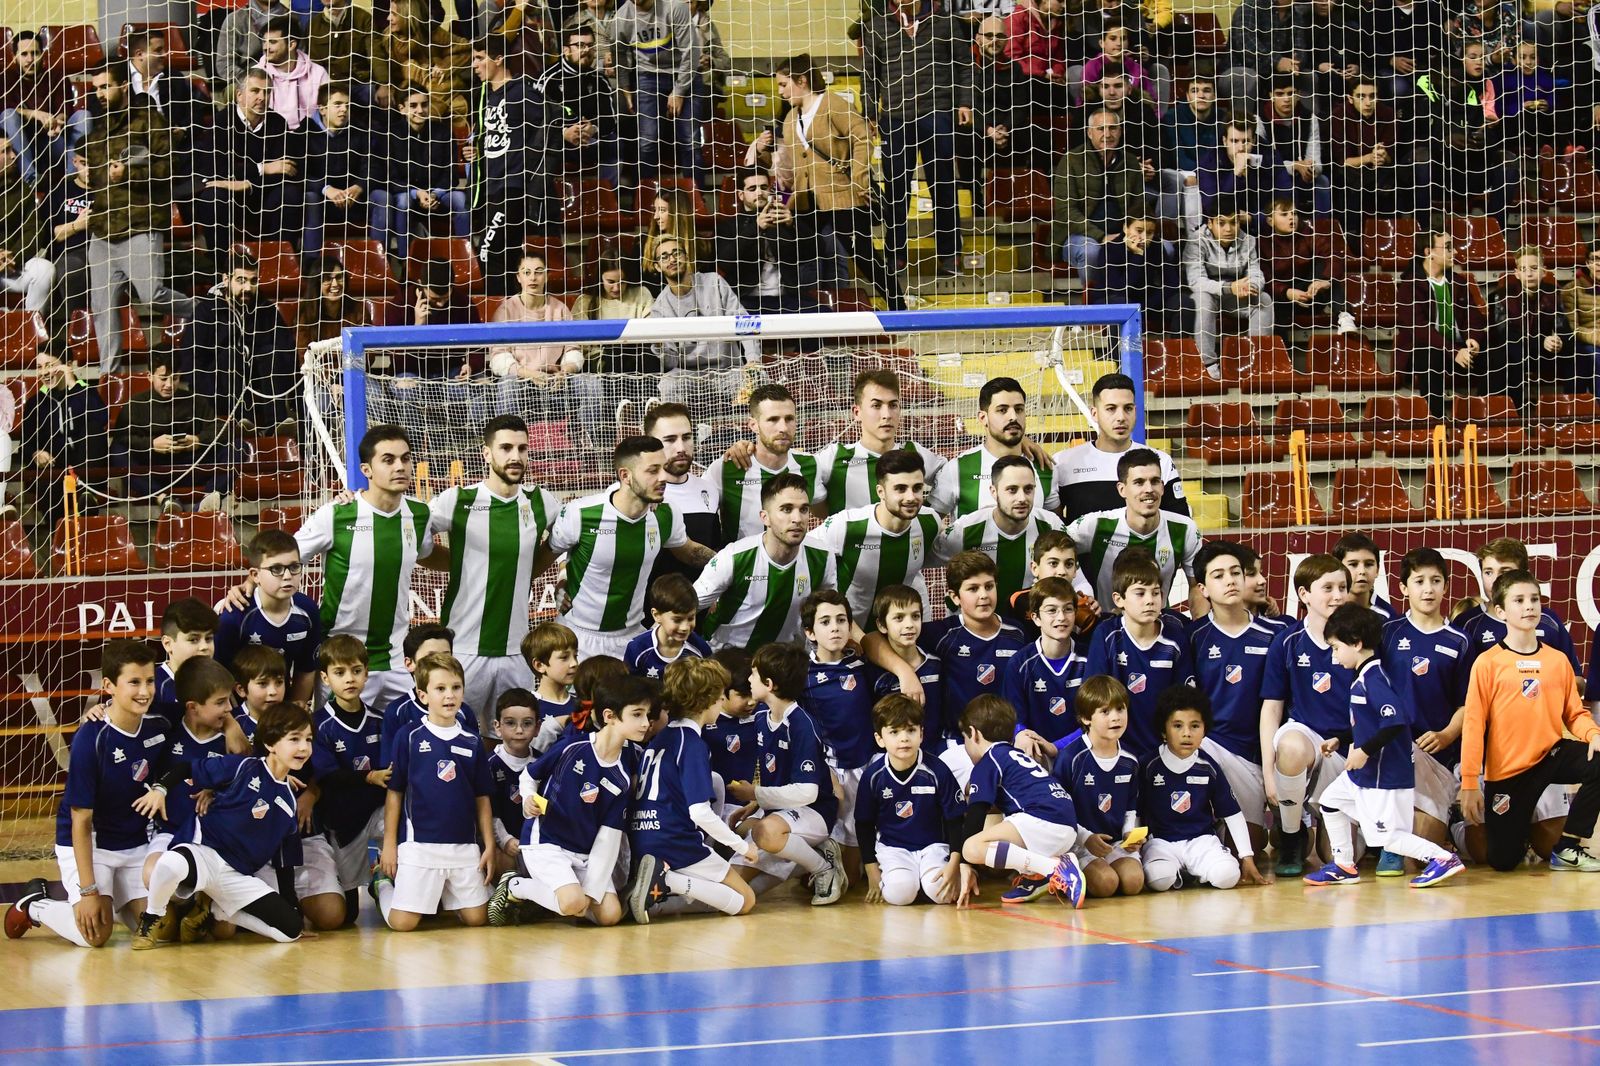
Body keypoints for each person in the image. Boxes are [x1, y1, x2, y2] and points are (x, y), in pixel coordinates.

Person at [264, 426, 438, 706]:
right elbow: (283, 559)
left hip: (396, 658)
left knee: (404, 740)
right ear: (366, 470)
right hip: (343, 658)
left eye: (405, 459)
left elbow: (428, 554)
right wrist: (250, 584)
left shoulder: (420, 514)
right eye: (389, 460)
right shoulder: (336, 515)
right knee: (339, 743)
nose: (400, 467)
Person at [6, 641, 161, 947]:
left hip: (134, 844)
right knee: (94, 936)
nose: (144, 691)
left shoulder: (160, 725)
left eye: (150, 681)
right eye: (134, 682)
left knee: (158, 930)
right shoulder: (91, 738)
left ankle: (112, 901)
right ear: (108, 686)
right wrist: (88, 890)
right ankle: (34, 904)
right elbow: (81, 821)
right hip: (91, 843)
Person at [1302, 605, 1467, 887]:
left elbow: (1395, 722)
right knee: (1330, 802)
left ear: (1356, 643)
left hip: (1383, 776)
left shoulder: (1374, 679)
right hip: (1364, 774)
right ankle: (1343, 864)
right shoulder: (1363, 676)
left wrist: (1363, 752)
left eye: (1335, 647)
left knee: (1388, 837)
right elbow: (1368, 721)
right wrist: (1342, 739)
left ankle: (1442, 858)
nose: (1333, 655)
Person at [129, 702, 317, 948]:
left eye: (309, 739)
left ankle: (220, 910)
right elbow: (188, 768)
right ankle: (151, 918)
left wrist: (292, 907)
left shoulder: (289, 802)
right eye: (295, 739)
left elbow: (285, 860)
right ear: (271, 744)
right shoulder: (243, 767)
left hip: (237, 875)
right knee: (169, 864)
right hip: (204, 853)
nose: (304, 747)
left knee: (290, 931)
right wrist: (161, 789)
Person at [1461, 569, 1600, 873]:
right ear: (1501, 611)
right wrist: (1470, 782)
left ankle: (1568, 846)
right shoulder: (1487, 664)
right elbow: (1473, 724)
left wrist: (1592, 734)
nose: (1529, 607)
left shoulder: (1557, 661)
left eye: (1534, 599)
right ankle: (1476, 826)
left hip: (1551, 754)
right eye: (1519, 600)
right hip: (1508, 772)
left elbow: (1575, 714)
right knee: (1502, 861)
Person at [422, 416, 560, 716]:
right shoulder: (457, 500)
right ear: (487, 453)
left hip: (517, 650)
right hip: (464, 647)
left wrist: (563, 575)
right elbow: (413, 539)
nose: (515, 457)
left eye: (522, 448)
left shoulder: (541, 502)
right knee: (457, 736)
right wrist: (456, 562)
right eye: (506, 448)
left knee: (516, 742)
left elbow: (569, 541)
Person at [489, 674, 652, 926]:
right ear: (610, 716)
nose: (645, 723)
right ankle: (516, 885)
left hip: (585, 853)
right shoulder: (572, 747)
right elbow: (529, 775)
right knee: (573, 904)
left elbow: (608, 839)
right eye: (637, 714)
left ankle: (565, 899)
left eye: (648, 715)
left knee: (609, 916)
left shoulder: (622, 775)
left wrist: (592, 890)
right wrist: (529, 798)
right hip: (546, 843)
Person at [548, 435, 714, 660]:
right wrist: (562, 579)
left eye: (664, 468)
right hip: (578, 637)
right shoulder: (581, 513)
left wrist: (733, 562)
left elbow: (689, 550)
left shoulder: (666, 514)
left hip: (631, 638)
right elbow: (549, 555)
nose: (664, 477)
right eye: (653, 470)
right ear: (625, 475)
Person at [625, 656, 759, 922]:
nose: (722, 703)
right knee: (745, 901)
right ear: (706, 700)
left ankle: (656, 894)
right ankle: (669, 881)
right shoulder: (693, 743)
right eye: (720, 696)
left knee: (716, 895)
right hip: (674, 842)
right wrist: (742, 847)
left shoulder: (662, 737)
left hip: (642, 838)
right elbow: (699, 812)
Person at [372, 654, 496, 930]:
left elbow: (482, 797)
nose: (449, 695)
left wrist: (487, 845)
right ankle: (382, 886)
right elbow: (395, 793)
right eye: (440, 689)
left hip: (464, 845)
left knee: (477, 920)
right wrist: (389, 845)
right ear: (423, 695)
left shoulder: (472, 740)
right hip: (420, 845)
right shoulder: (409, 736)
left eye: (456, 687)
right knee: (403, 924)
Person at [82, 62, 190, 374]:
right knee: (102, 309)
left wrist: (129, 172)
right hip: (103, 232)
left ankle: (206, 311)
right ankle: (109, 377)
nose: (101, 93)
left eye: (106, 86)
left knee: (153, 295)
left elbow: (169, 168)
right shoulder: (97, 133)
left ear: (123, 86)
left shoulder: (149, 121)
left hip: (140, 226)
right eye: (97, 88)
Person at [723, 642, 848, 906]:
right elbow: (778, 774)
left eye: (753, 674)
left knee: (764, 832)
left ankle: (823, 866)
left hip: (814, 811)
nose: (748, 679)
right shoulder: (761, 718)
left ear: (769, 684)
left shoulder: (801, 724)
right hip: (779, 816)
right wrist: (755, 803)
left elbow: (807, 791)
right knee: (732, 889)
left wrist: (755, 792)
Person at [774, 54, 903, 309]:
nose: (780, 92)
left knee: (865, 257)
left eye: (783, 84)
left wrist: (859, 179)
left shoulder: (833, 104)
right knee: (792, 249)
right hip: (806, 200)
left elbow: (863, 137)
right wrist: (764, 151)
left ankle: (898, 306)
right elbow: (790, 164)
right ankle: (803, 308)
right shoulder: (789, 119)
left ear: (801, 80)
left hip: (842, 195)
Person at [862, 0, 974, 278]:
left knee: (944, 187)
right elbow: (869, 76)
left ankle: (949, 256)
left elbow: (965, 66)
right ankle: (895, 255)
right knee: (896, 190)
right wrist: (869, 114)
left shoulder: (946, 23)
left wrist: (965, 103)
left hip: (938, 113)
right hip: (895, 118)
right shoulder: (877, 27)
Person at [1258, 554, 1351, 876]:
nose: (1337, 595)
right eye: (1328, 587)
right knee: (1292, 745)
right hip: (1307, 737)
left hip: (1347, 746)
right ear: (1303, 594)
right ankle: (1290, 835)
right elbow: (1271, 708)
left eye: (1342, 587)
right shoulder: (1287, 642)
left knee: (1332, 856)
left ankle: (1328, 822)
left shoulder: (1361, 641)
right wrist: (1269, 771)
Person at [1380, 548, 1473, 871]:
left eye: (1436, 581)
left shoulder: (1459, 640)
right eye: (1419, 581)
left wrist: (1447, 734)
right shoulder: (1387, 634)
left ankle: (1454, 824)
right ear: (1404, 588)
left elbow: (1467, 704)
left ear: (1446, 586)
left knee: (1416, 862)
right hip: (1394, 754)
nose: (1428, 589)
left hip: (1439, 756)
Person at [957, 693, 1087, 907]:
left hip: (1043, 823)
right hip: (1066, 825)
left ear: (974, 734)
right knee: (1007, 831)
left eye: (965, 738)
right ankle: (1035, 876)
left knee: (972, 847)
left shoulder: (988, 762)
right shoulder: (1015, 756)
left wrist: (965, 863)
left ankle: (1052, 868)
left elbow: (976, 814)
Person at [1186, 541, 1275, 846]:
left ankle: (1294, 828)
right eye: (1219, 575)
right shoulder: (1193, 637)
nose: (1230, 580)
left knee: (1254, 844)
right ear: (1204, 589)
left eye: (1236, 573)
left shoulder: (1273, 634)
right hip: (1215, 747)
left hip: (1261, 753)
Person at [1138, 685, 1269, 891]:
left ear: (1205, 729)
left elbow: (1232, 814)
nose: (1187, 734)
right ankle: (1178, 873)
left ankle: (1195, 869)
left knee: (1228, 876)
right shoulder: (1148, 765)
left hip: (1201, 842)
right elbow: (1135, 811)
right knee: (1159, 879)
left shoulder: (1209, 767)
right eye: (1178, 726)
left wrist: (1247, 857)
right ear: (1164, 730)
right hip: (1161, 844)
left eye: (1195, 726)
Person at [695, 471, 836, 649]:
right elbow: (686, 606)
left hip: (787, 663)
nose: (797, 519)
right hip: (728, 662)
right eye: (786, 509)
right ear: (765, 517)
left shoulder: (822, 556)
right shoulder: (734, 558)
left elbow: (827, 611)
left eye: (804, 509)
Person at [806, 447, 941, 626]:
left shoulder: (930, 521)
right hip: (850, 634)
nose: (911, 497)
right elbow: (803, 552)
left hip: (898, 632)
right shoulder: (846, 526)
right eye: (900, 489)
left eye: (917, 488)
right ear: (881, 492)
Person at [856, 693, 969, 906]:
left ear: (921, 734)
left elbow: (955, 821)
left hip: (934, 847)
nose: (904, 738)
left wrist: (955, 864)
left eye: (911, 730)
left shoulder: (937, 770)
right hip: (893, 848)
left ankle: (927, 881)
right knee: (899, 895)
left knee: (941, 894)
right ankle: (909, 881)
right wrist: (872, 873)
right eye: (894, 732)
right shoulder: (873, 776)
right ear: (880, 739)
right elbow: (864, 825)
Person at [1082, 550, 1194, 759]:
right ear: (1119, 599)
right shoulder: (1106, 635)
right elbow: (1094, 697)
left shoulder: (1175, 638)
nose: (1150, 600)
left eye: (1156, 593)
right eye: (1140, 593)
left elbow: (1184, 700)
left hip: (1165, 749)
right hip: (1116, 748)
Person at [311, 633, 387, 922]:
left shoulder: (381, 720)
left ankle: (385, 878)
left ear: (367, 674)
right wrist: (368, 778)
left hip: (378, 813)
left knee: (396, 824)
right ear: (325, 678)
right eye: (340, 672)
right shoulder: (320, 725)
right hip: (342, 822)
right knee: (347, 916)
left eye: (356, 671)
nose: (350, 679)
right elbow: (328, 778)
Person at [1065, 448, 1200, 609]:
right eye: (1139, 482)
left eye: (1155, 481)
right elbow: (1052, 552)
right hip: (1103, 626)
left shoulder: (1185, 529)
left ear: (1163, 487)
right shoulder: (1095, 525)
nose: (1149, 489)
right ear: (1122, 489)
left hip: (1159, 624)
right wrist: (1080, 590)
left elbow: (1197, 586)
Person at [1051, 675, 1145, 898]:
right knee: (1106, 884)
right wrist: (1086, 839)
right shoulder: (1071, 758)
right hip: (1078, 844)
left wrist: (1130, 834)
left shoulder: (1130, 760)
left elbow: (1131, 807)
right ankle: (1061, 867)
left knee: (1134, 882)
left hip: (1114, 844)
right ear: (1086, 718)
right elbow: (1057, 811)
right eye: (1105, 712)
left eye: (1120, 709)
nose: (1116, 718)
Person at [192, 69, 304, 252]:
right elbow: (215, 171)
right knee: (212, 198)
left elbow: (286, 170)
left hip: (264, 198)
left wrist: (245, 182)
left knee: (289, 194)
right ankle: (222, 270)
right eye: (255, 91)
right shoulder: (220, 122)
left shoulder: (277, 123)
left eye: (267, 92)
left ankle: (281, 263)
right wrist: (262, 169)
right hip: (231, 200)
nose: (262, 97)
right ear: (239, 95)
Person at [800, 590, 877, 858]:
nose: (835, 628)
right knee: (843, 859)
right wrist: (823, 771)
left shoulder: (864, 664)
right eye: (825, 622)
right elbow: (799, 731)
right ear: (810, 632)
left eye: (841, 620)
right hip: (833, 771)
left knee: (862, 858)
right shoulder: (801, 675)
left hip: (869, 765)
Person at [936, 455, 1065, 613]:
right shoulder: (966, 530)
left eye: (1028, 489)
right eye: (1012, 490)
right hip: (973, 631)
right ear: (993, 491)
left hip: (1029, 628)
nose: (1022, 498)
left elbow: (1074, 573)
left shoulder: (1050, 525)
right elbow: (922, 557)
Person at [186, 249, 297, 433]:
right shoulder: (205, 311)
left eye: (253, 281)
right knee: (230, 353)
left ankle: (277, 424)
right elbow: (192, 362)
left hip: (261, 390)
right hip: (219, 391)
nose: (248, 288)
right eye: (241, 280)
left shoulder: (267, 309)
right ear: (225, 279)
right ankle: (240, 422)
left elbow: (287, 353)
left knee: (269, 352)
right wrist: (207, 396)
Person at [1053, 372, 1187, 524]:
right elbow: (1053, 525)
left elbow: (1180, 522)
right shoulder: (1064, 462)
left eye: (1128, 408)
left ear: (1135, 412)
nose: (1121, 417)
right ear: (1094, 414)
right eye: (1111, 409)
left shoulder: (1161, 461)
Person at [702, 384, 827, 542]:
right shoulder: (725, 468)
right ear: (753, 425)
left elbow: (825, 513)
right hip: (740, 565)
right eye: (773, 420)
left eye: (789, 419)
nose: (783, 428)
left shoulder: (811, 465)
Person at [466, 35, 543, 291]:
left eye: (480, 58)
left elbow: (552, 117)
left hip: (513, 187)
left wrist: (564, 131)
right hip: (490, 187)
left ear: (499, 59)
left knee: (488, 251)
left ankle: (500, 317)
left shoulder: (522, 91)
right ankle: (509, 311)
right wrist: (475, 151)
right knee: (503, 256)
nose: (475, 65)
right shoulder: (485, 95)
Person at [813, 370, 947, 511]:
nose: (887, 415)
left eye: (893, 405)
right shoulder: (833, 457)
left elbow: (953, 478)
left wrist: (929, 516)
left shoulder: (914, 452)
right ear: (857, 412)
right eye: (876, 405)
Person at [646, 236, 759, 405]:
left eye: (677, 253)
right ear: (657, 266)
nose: (672, 259)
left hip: (729, 371)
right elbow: (671, 362)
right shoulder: (659, 308)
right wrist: (659, 345)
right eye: (664, 256)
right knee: (668, 384)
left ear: (686, 256)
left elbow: (745, 322)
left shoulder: (714, 282)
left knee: (759, 377)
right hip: (689, 375)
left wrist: (752, 360)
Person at [118, 352, 228, 514]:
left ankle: (208, 498)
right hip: (154, 471)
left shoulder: (196, 400)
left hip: (191, 467)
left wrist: (199, 440)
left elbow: (220, 429)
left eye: (175, 378)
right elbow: (122, 438)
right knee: (117, 452)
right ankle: (163, 498)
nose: (169, 384)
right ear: (150, 376)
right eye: (163, 379)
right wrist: (151, 444)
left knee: (239, 448)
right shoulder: (135, 404)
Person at [486, 254, 591, 425]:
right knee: (507, 384)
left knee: (589, 383)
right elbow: (498, 358)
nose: (533, 278)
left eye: (538, 272)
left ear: (547, 276)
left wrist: (565, 371)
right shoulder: (505, 311)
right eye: (526, 272)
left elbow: (573, 350)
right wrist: (527, 373)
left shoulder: (560, 309)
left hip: (556, 381)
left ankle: (590, 441)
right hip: (523, 380)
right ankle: (508, 438)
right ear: (518, 278)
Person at [929, 377, 1055, 518]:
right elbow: (927, 526)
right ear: (983, 418)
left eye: (1019, 409)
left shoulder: (1044, 467)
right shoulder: (957, 469)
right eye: (1002, 410)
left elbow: (1056, 530)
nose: (1013, 417)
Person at [371, 89, 468, 262]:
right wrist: (417, 193)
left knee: (460, 199)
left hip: (438, 193)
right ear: (402, 109)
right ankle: (405, 259)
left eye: (424, 104)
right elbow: (390, 177)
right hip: (408, 193)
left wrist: (434, 194)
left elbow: (450, 174)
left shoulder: (443, 133)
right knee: (402, 202)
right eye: (413, 105)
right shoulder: (389, 135)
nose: (420, 110)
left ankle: (465, 256)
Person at [15, 352, 111, 527]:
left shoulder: (85, 392)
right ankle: (58, 539)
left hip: (84, 466)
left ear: (68, 365)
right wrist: (36, 453)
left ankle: (87, 495)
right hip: (52, 467)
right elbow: (25, 446)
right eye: (39, 367)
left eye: (50, 365)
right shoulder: (35, 403)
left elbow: (101, 419)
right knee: (48, 488)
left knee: (93, 428)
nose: (44, 372)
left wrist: (72, 384)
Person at [713, 167, 824, 315]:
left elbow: (817, 251)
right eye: (752, 188)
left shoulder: (785, 219)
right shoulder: (727, 226)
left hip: (787, 299)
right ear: (741, 195)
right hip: (745, 301)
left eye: (764, 187)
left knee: (823, 315)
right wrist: (756, 228)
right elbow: (725, 262)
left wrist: (793, 225)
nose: (759, 193)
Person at [1185, 198, 1274, 382]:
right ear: (1209, 223)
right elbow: (1195, 281)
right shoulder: (1196, 241)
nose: (1228, 229)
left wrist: (1252, 286)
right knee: (1202, 300)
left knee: (1263, 299)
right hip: (1209, 293)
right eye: (1221, 223)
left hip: (1236, 293)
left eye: (1234, 222)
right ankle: (1207, 364)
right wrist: (1228, 287)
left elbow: (1256, 271)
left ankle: (1258, 361)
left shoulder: (1248, 240)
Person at [1001, 577, 1088, 766]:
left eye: (1068, 609)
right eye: (1052, 610)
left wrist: (1057, 747)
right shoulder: (1019, 664)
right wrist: (1023, 736)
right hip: (1037, 755)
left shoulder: (1090, 659)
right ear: (1035, 618)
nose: (1061, 617)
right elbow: (1015, 721)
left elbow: (1096, 721)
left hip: (1082, 753)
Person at [1052, 109, 1150, 273]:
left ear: (1121, 131)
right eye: (1100, 129)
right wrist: (1101, 236)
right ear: (1089, 133)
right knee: (1093, 252)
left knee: (1165, 248)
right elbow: (1065, 211)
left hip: (1123, 234)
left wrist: (1134, 234)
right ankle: (1094, 298)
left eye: (1112, 128)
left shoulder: (1130, 161)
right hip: (1080, 236)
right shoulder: (1071, 160)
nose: (1107, 134)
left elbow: (1139, 206)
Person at [613, 0, 699, 184]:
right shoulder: (621, 17)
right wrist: (625, 88)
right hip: (648, 75)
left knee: (689, 139)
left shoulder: (675, 7)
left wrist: (679, 91)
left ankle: (695, 200)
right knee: (648, 140)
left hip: (683, 72)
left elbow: (691, 52)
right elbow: (618, 55)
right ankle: (645, 198)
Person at [534, 26, 621, 183]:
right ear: (565, 50)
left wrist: (593, 128)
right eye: (580, 45)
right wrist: (564, 132)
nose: (586, 50)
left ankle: (606, 200)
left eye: (590, 45)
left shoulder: (599, 80)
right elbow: (533, 121)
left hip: (589, 140)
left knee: (615, 143)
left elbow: (610, 121)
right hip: (558, 141)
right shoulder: (548, 78)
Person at [1260, 198, 1355, 338]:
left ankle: (1344, 314)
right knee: (1269, 304)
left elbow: (1333, 255)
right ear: (1270, 221)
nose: (1292, 217)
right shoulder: (1262, 243)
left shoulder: (1306, 232)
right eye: (1284, 214)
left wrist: (1324, 281)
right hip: (1282, 300)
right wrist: (1287, 292)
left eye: (1295, 213)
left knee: (1323, 265)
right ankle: (1282, 357)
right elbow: (1266, 279)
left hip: (1311, 294)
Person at [869, 585, 946, 754]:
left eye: (915, 616)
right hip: (891, 758)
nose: (909, 624)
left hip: (937, 752)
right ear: (882, 625)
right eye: (899, 618)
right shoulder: (873, 672)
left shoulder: (936, 664)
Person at [1493, 247, 1571, 402]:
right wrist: (1541, 341)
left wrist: (1558, 340)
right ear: (1517, 273)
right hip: (1515, 351)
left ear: (1544, 271)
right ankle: (1515, 413)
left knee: (1577, 352)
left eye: (1534, 268)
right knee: (1511, 353)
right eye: (1523, 269)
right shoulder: (1502, 296)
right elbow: (1505, 334)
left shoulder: (1554, 293)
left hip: (1545, 353)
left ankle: (1574, 409)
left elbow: (1562, 325)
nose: (1529, 274)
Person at [1090, 213, 1184, 336]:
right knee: (1124, 306)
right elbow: (1120, 290)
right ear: (1125, 228)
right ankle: (1116, 354)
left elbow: (1172, 283)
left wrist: (1145, 306)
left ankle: (1178, 351)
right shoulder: (1110, 249)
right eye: (1139, 231)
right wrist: (1137, 255)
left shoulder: (1156, 246)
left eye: (1150, 232)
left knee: (1183, 303)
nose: (1144, 237)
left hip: (1144, 302)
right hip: (1110, 300)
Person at [301, 86, 369, 256]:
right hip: (322, 201)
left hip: (354, 200)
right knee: (310, 198)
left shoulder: (359, 130)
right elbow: (299, 174)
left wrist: (358, 187)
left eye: (347, 105)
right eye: (338, 104)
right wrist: (326, 189)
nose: (344, 110)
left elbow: (372, 165)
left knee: (382, 197)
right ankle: (311, 264)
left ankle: (380, 261)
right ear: (322, 109)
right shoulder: (304, 132)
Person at [0, 30, 71, 184]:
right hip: (20, 147)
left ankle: (74, 179)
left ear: (42, 54)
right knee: (8, 114)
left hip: (51, 142)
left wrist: (56, 122)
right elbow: (4, 110)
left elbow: (65, 112)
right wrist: (33, 113)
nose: (30, 59)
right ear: (15, 57)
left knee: (82, 116)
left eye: (35, 53)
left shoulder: (57, 76)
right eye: (24, 54)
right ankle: (30, 177)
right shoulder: (5, 79)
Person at [485, 689, 538, 877]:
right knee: (501, 860)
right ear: (497, 727)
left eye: (527, 723)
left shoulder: (543, 763)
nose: (519, 730)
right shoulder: (488, 764)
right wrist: (505, 840)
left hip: (536, 844)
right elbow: (488, 811)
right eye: (510, 723)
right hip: (504, 843)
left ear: (538, 727)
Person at [0, 139, 53, 313]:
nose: (14, 156)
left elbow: (34, 230)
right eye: (5, 151)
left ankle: (31, 337)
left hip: (12, 264)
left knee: (44, 270)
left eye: (12, 150)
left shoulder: (22, 189)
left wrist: (13, 256)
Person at [625, 574, 711, 678]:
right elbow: (629, 689)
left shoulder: (701, 649)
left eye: (690, 618)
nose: (685, 627)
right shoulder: (637, 649)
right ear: (656, 615)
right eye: (677, 620)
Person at [256, 17, 330, 130]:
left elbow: (328, 111)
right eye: (264, 42)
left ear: (291, 45)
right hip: (269, 136)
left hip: (309, 136)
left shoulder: (318, 73)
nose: (266, 47)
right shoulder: (256, 73)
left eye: (273, 42)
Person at [306, 0, 382, 100]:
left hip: (360, 83)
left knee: (376, 96)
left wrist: (383, 84)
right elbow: (314, 63)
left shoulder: (363, 18)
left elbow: (376, 54)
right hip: (331, 85)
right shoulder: (314, 24)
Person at [214, 0, 294, 93]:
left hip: (285, 80)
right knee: (232, 91)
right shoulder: (235, 20)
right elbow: (224, 65)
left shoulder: (292, 18)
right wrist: (253, 80)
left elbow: (299, 57)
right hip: (247, 81)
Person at [295, 255, 370, 351]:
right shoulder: (305, 315)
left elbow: (368, 354)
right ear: (317, 284)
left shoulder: (358, 310)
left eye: (339, 277)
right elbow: (304, 357)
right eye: (327, 278)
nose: (335, 284)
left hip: (353, 366)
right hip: (316, 366)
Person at [524, 621, 580, 738]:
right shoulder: (526, 708)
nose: (574, 663)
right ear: (539, 665)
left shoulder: (582, 704)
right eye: (564, 657)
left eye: (575, 656)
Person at [1332, 532, 1397, 620]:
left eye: (1368, 564)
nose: (1362, 571)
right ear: (1337, 569)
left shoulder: (1388, 616)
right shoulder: (1327, 610)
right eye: (1353, 564)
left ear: (1377, 570)